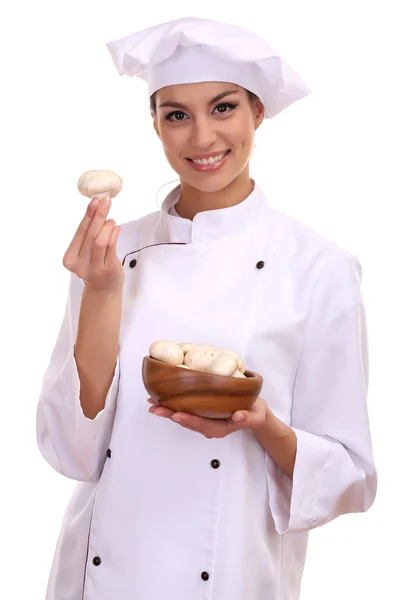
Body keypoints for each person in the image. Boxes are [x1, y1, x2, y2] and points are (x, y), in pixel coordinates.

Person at [36, 16, 377, 600]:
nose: (201, 139)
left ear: (257, 114)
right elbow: (73, 451)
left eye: (223, 109)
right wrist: (101, 293)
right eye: (177, 115)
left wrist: (262, 423)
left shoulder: (319, 268)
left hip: (232, 577)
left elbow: (350, 477)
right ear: (155, 124)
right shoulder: (111, 254)